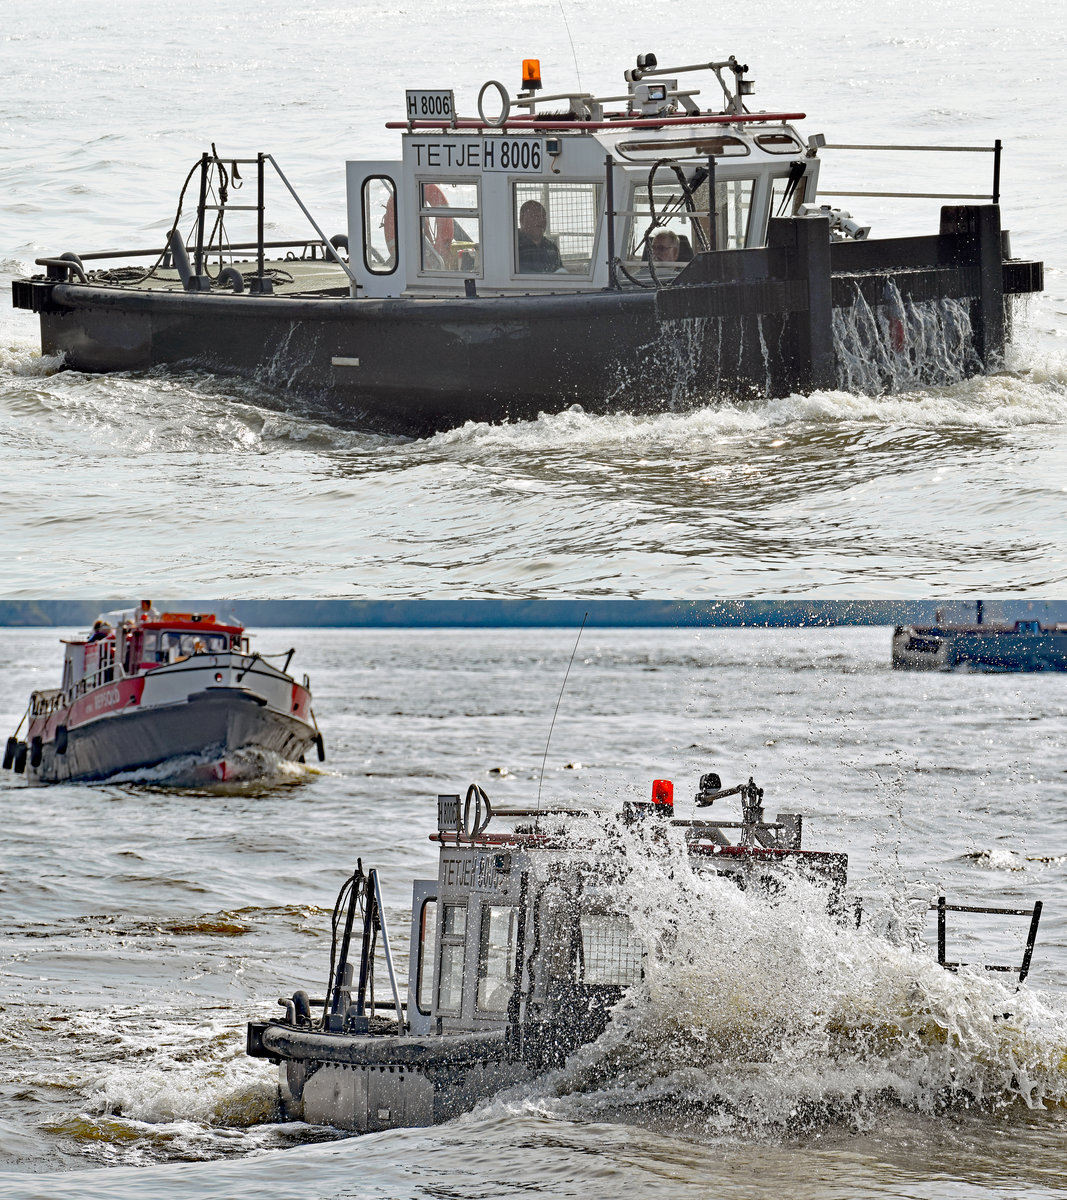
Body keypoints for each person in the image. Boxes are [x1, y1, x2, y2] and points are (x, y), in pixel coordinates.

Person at [516, 200, 562, 273]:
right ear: (522, 219)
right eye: (535, 216)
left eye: (543, 216)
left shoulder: (551, 248)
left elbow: (560, 274)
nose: (541, 220)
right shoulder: (513, 245)